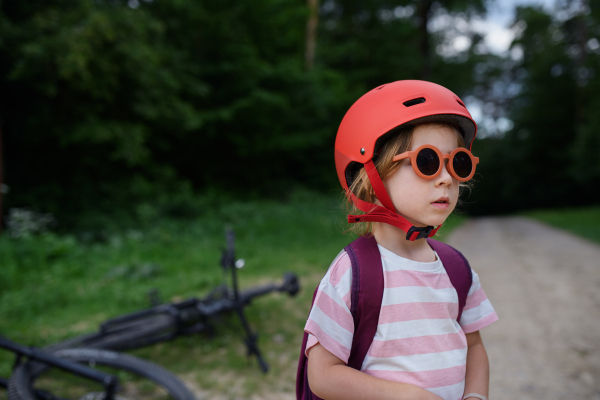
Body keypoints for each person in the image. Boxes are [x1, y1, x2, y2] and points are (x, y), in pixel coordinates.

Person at [303, 80, 498, 400]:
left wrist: (475, 396)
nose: (447, 178)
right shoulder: (352, 274)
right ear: (371, 175)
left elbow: (474, 346)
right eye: (428, 161)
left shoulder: (456, 268)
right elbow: (323, 375)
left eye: (457, 163)